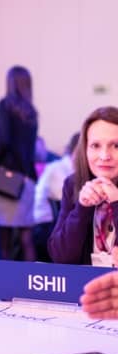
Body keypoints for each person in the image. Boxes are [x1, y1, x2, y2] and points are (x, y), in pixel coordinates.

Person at [48, 106, 118, 266]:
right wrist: (81, 209)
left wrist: (116, 204)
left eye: (116, 146)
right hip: (85, 286)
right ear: (85, 150)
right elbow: (61, 257)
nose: (104, 156)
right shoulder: (73, 184)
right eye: (95, 146)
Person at [0, 65, 38, 261]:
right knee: (27, 238)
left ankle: (4, 284)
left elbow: (3, 141)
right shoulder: (31, 111)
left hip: (7, 179)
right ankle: (34, 283)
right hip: (28, 179)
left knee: (3, 239)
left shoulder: (4, 105)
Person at [33, 132, 79, 261]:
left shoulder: (67, 168)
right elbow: (64, 198)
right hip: (44, 223)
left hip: (53, 218)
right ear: (76, 150)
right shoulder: (57, 168)